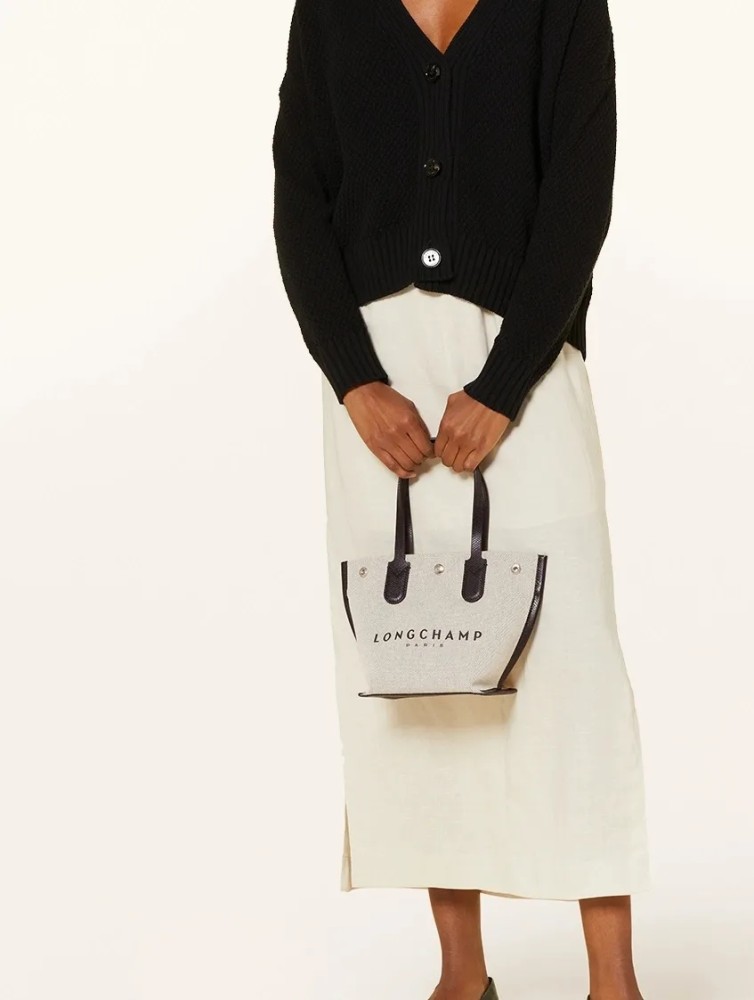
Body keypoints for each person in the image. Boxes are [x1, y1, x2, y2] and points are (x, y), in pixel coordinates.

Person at [271, 0, 651, 997]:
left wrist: (505, 381)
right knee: (425, 671)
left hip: (525, 358)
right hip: (376, 386)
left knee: (571, 668)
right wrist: (354, 379)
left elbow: (580, 194)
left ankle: (613, 980)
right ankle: (462, 974)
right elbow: (298, 194)